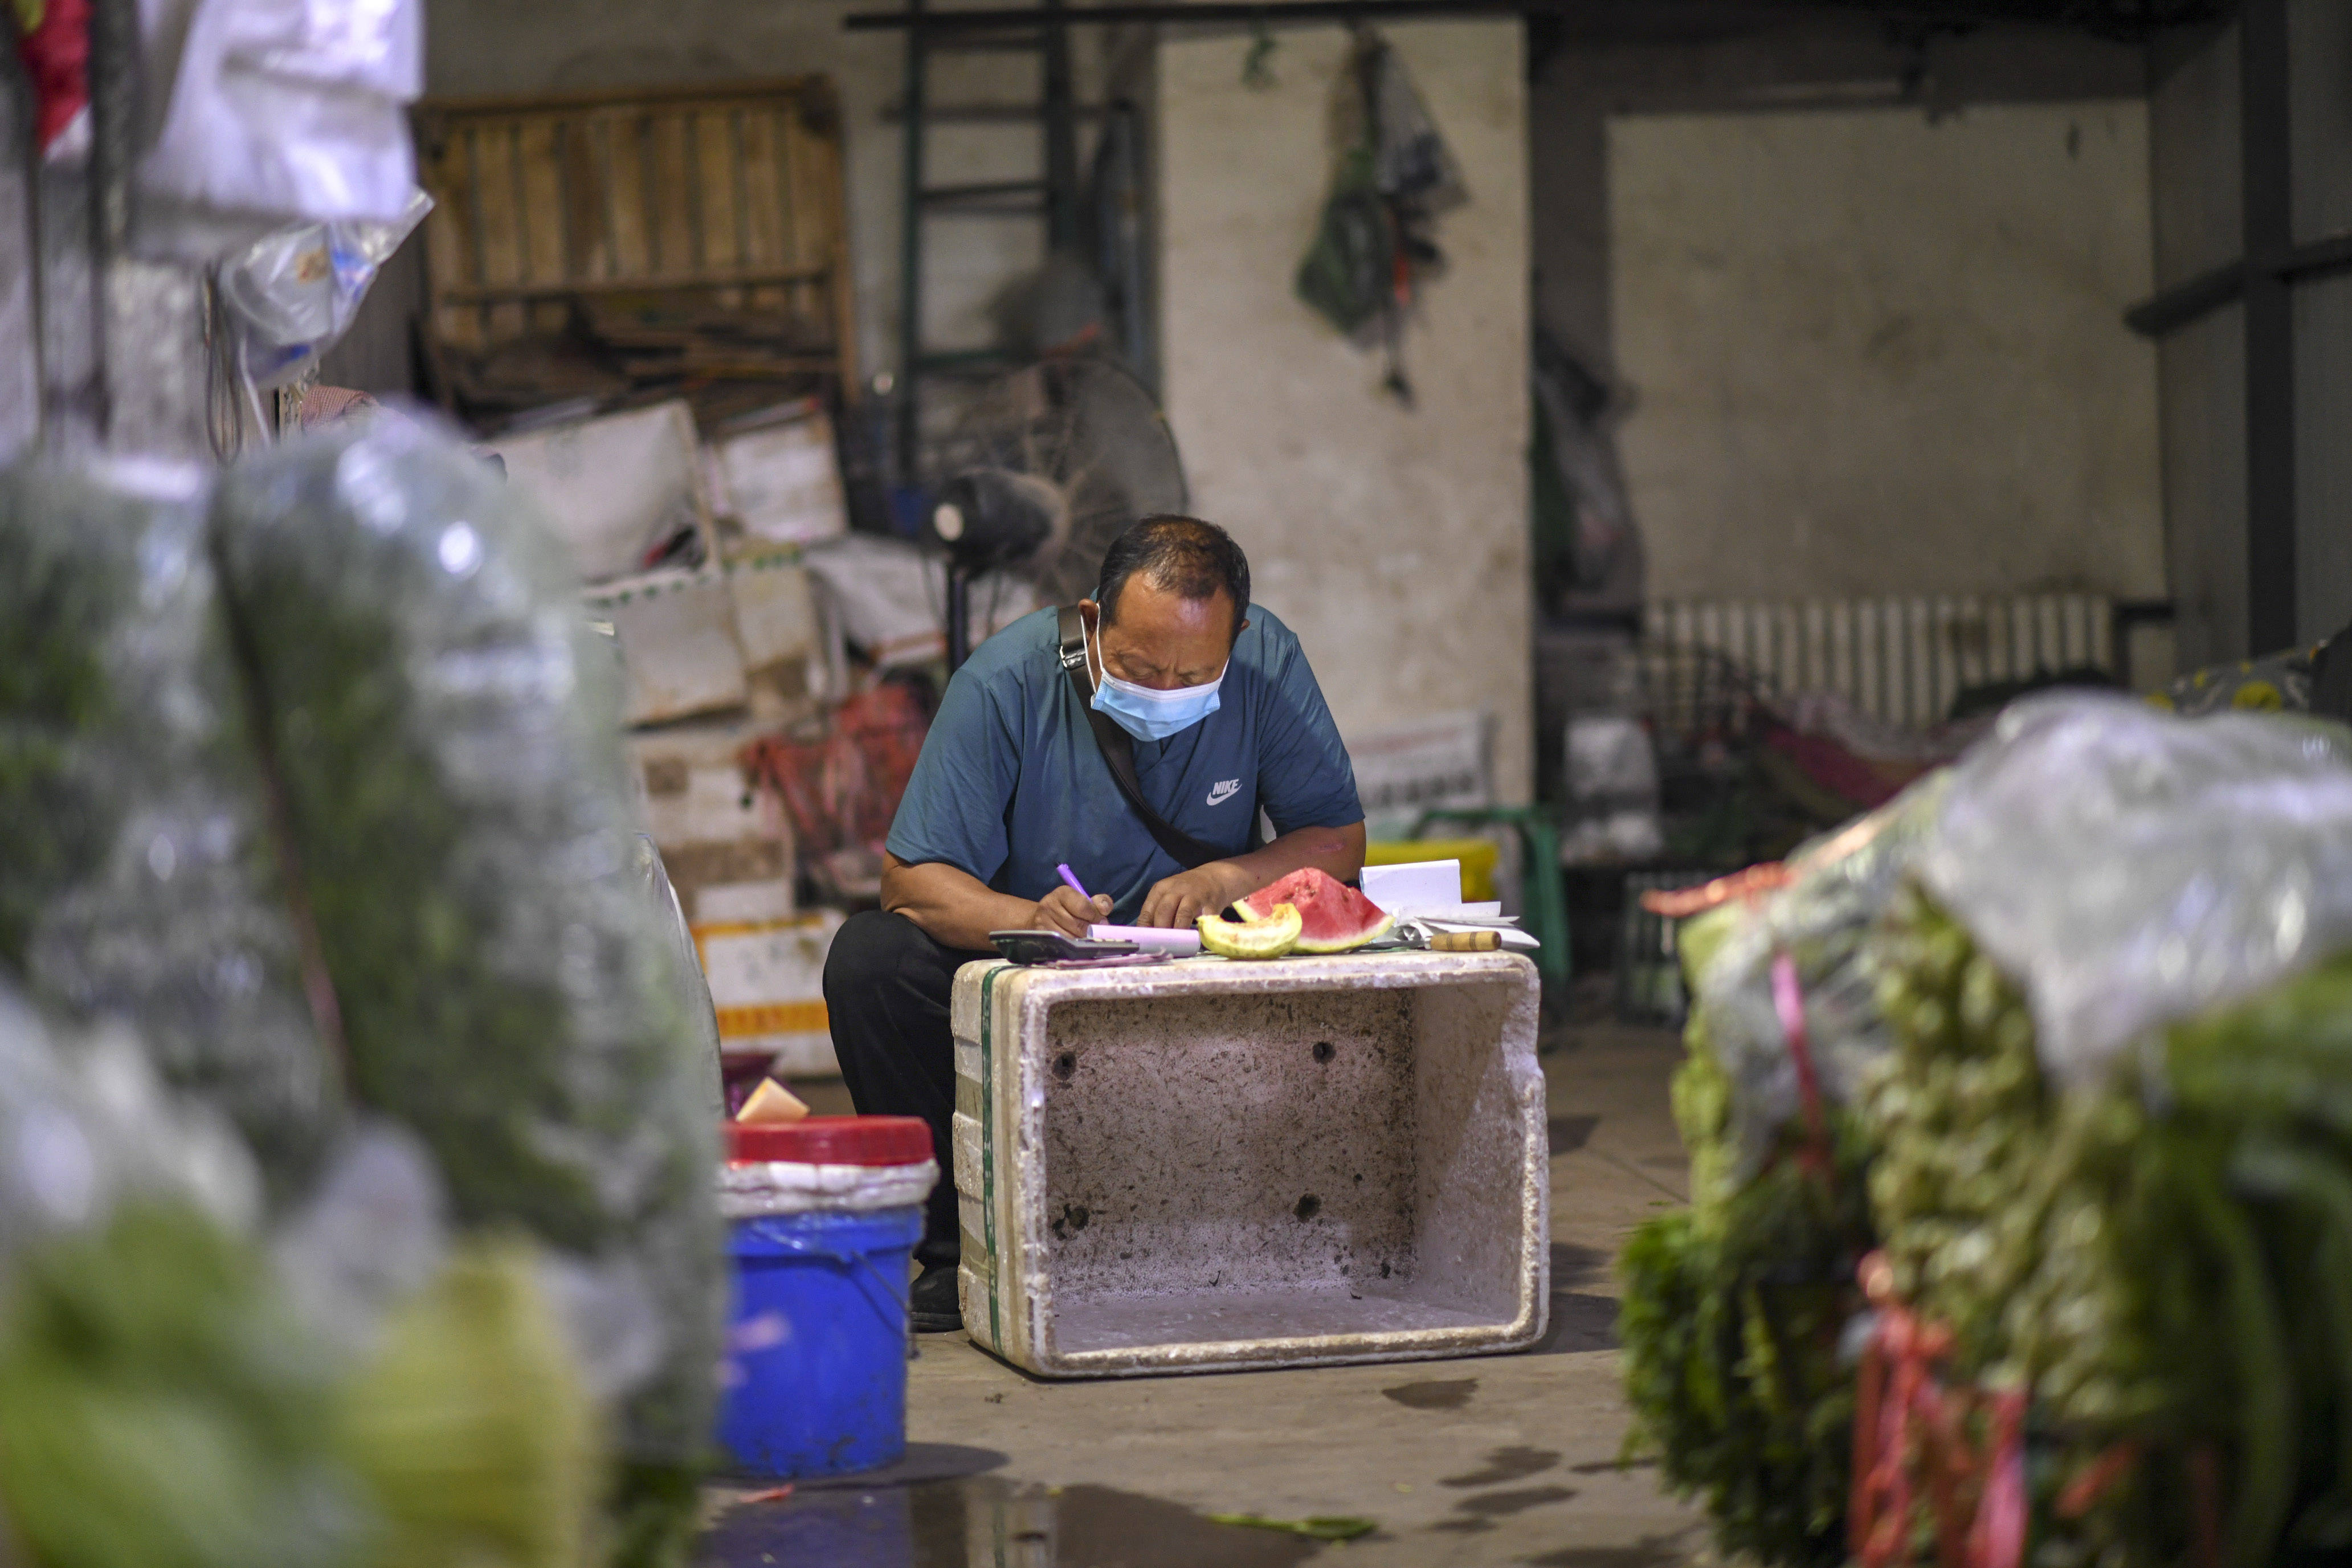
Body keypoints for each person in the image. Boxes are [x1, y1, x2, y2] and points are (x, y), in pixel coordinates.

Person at [824, 515, 1366, 1332]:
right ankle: (958, 1249)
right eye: (1141, 666)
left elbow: (1336, 842)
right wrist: (1027, 919)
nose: (1168, 690)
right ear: (1091, 621)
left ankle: (1292, 1224)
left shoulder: (1268, 662)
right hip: (1037, 966)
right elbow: (910, 880)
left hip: (1202, 960)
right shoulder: (1005, 682)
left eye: (1196, 674)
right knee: (872, 961)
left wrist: (1228, 875)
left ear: (1238, 639)